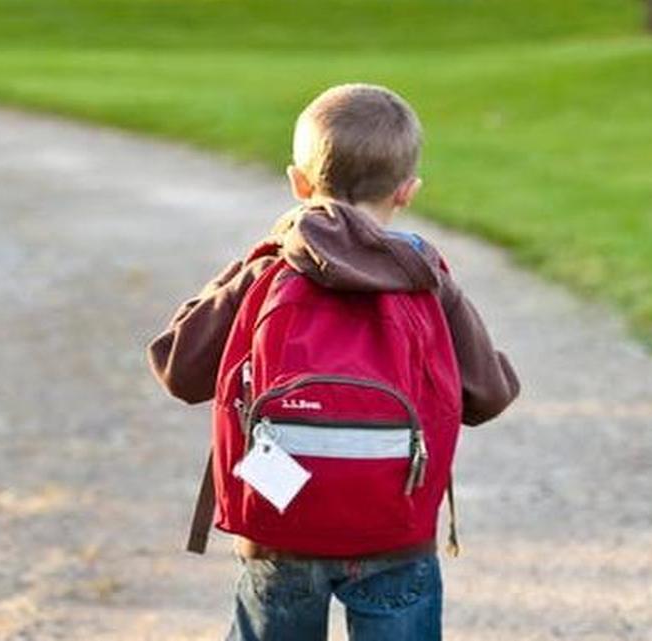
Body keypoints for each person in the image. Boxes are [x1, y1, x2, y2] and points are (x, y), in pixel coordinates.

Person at [147, 83, 519, 641]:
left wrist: (248, 265)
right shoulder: (426, 278)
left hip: (280, 523)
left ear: (298, 183)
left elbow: (179, 368)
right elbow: (487, 397)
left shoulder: (270, 270)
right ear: (407, 191)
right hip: (395, 530)